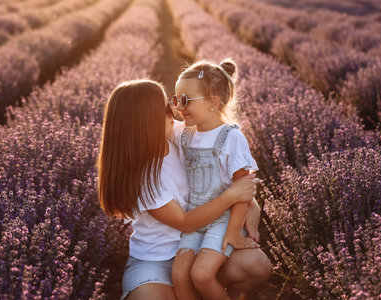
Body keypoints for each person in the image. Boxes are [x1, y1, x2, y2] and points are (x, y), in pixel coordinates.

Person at [97, 79, 270, 300]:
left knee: (256, 265)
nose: (175, 110)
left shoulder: (177, 135)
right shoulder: (141, 177)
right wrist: (232, 196)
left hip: (201, 245)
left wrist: (249, 203)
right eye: (166, 108)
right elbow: (185, 222)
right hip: (157, 262)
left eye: (171, 103)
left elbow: (228, 169)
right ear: (143, 123)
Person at [171, 58, 262, 300]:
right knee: (179, 276)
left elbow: (243, 191)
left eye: (186, 100)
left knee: (201, 275)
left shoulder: (232, 138)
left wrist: (234, 232)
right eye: (176, 99)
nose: (179, 107)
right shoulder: (184, 132)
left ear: (213, 102)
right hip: (194, 218)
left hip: (222, 221)